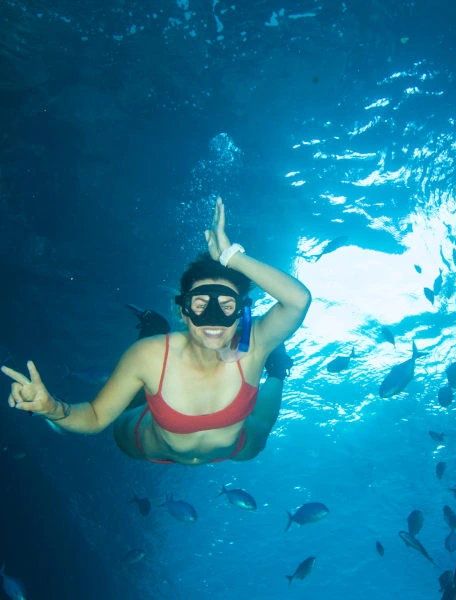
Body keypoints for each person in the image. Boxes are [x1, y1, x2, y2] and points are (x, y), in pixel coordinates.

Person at [2, 198, 311, 465]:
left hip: (236, 447)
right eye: (201, 304)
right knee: (139, 395)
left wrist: (232, 257)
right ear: (183, 310)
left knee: (261, 430)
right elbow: (96, 417)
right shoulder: (149, 355)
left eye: (226, 306)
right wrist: (53, 409)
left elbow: (298, 301)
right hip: (145, 444)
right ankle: (153, 335)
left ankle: (278, 369)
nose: (213, 318)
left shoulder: (249, 345)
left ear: (240, 314)